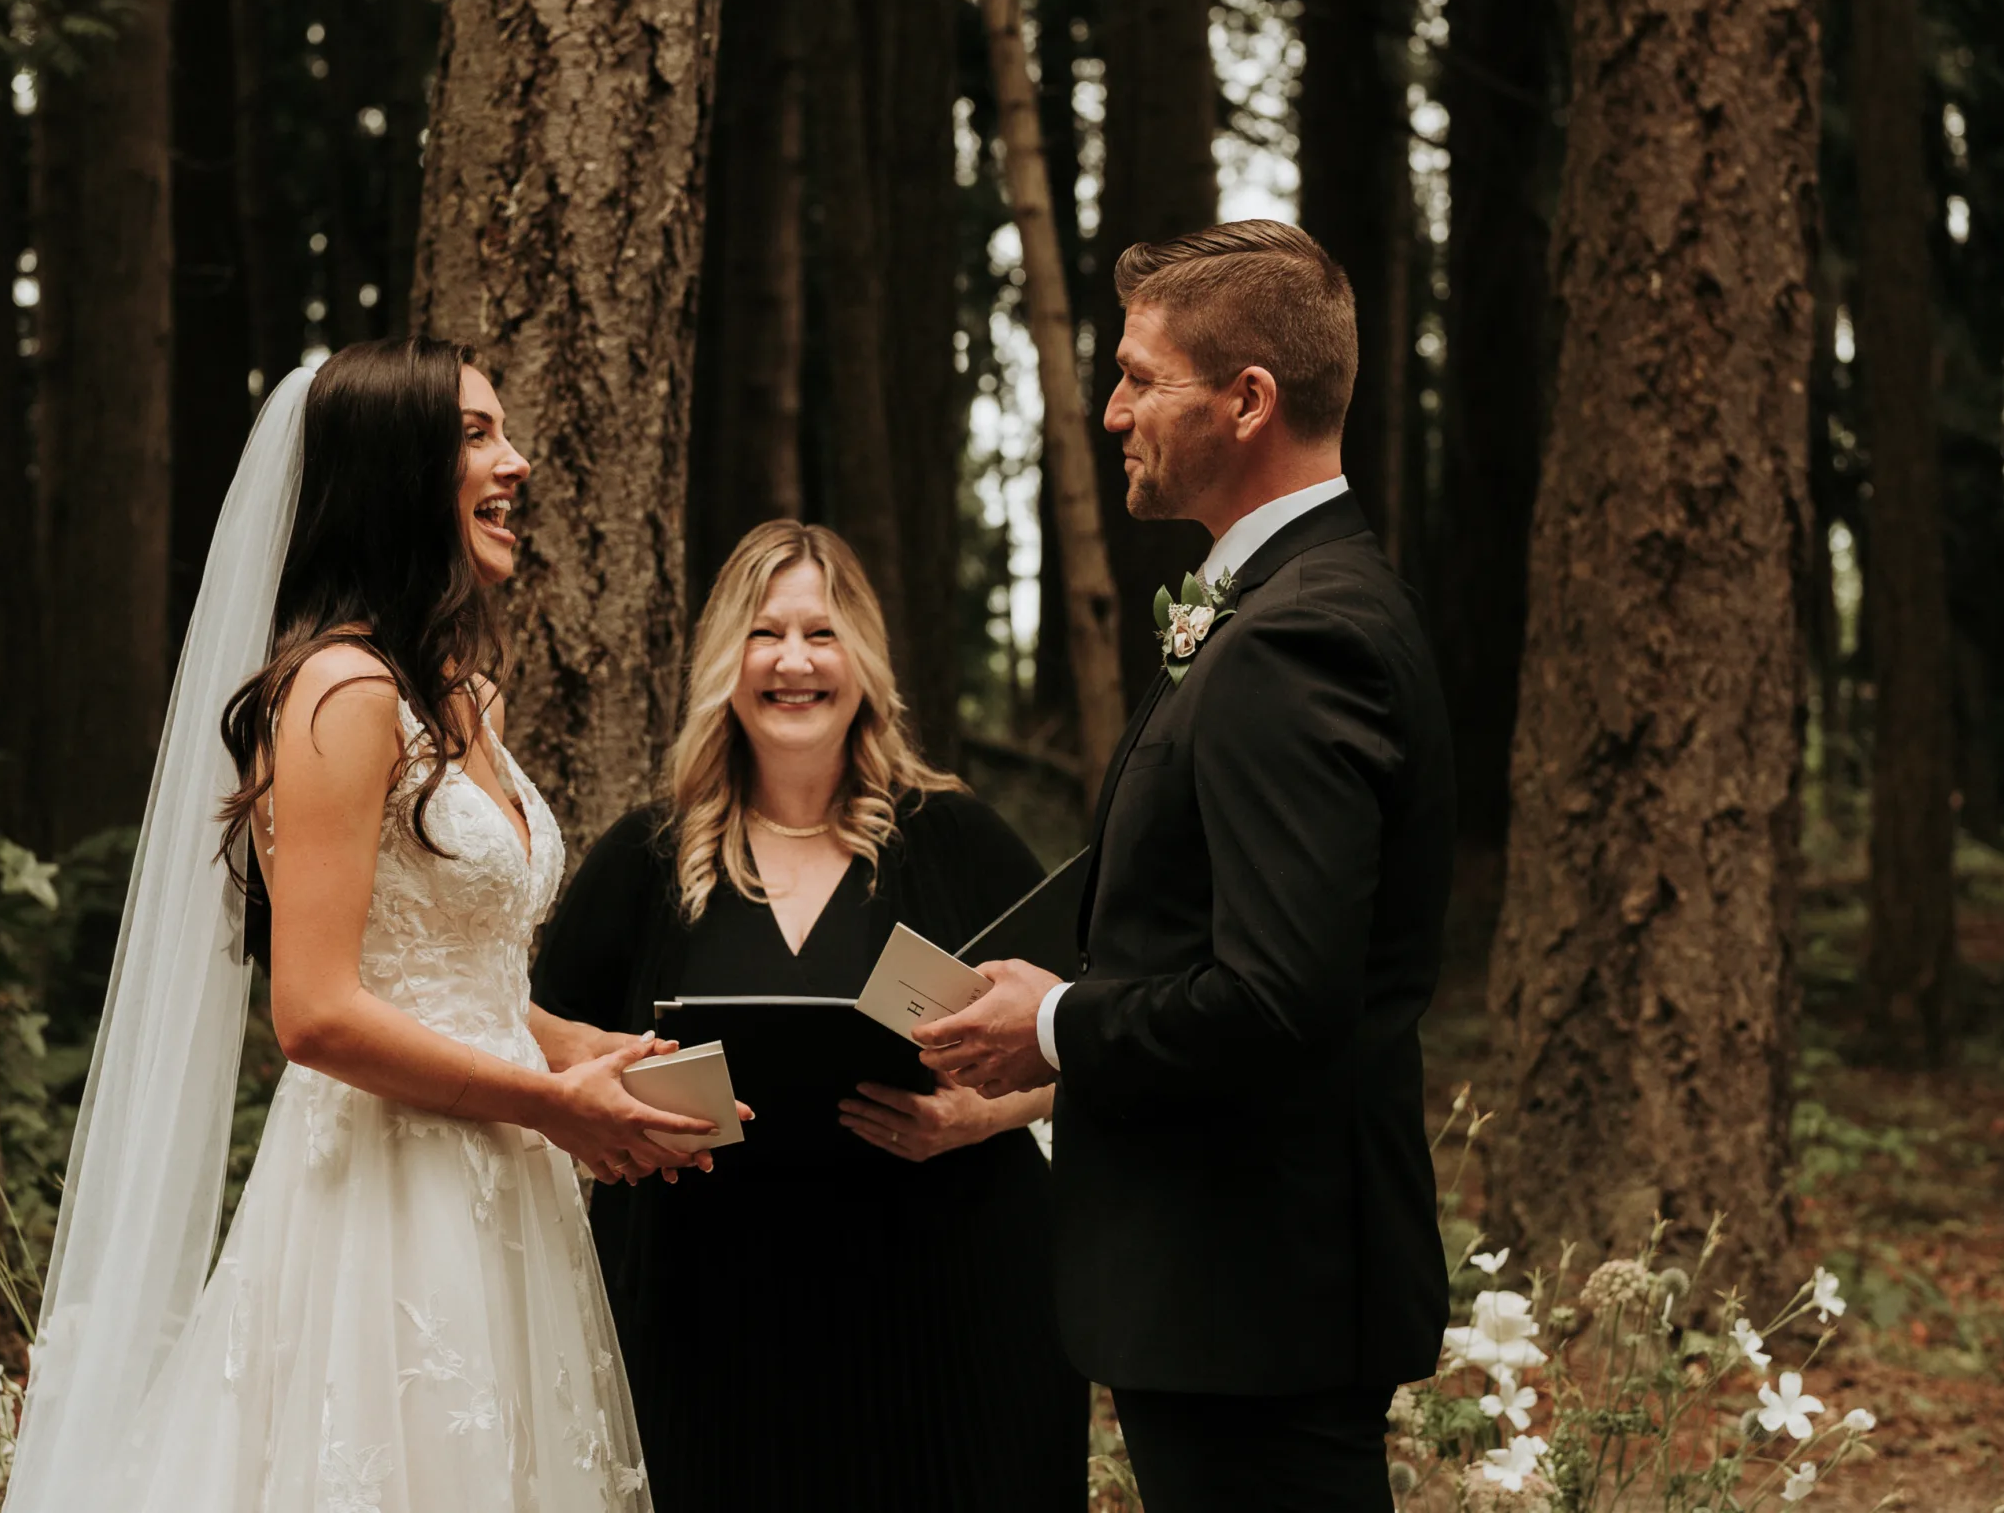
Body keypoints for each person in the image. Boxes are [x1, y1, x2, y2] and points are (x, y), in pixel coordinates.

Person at [9, 337, 725, 1513]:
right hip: (389, 1198)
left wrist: (579, 1052)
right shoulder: (341, 694)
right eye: (478, 436)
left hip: (501, 1172)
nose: (518, 462)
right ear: (399, 471)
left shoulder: (467, 698)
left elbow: (455, 975)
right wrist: (554, 1106)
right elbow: (317, 1011)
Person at [919, 220, 1456, 1512]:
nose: (1113, 411)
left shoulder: (1296, 638)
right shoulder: (1300, 602)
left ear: (1249, 398)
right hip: (1249, 1292)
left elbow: (1279, 997)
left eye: (1140, 377)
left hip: (1256, 1300)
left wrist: (1049, 1022)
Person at [529, 520, 1089, 1513]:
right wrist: (624, 1067)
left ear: (862, 659)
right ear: (726, 664)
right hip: (706, 1303)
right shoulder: (648, 854)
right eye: (765, 633)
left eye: (821, 634)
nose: (793, 662)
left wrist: (976, 1117)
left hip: (944, 1293)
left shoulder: (954, 839)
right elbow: (535, 1024)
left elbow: (1080, 1038)